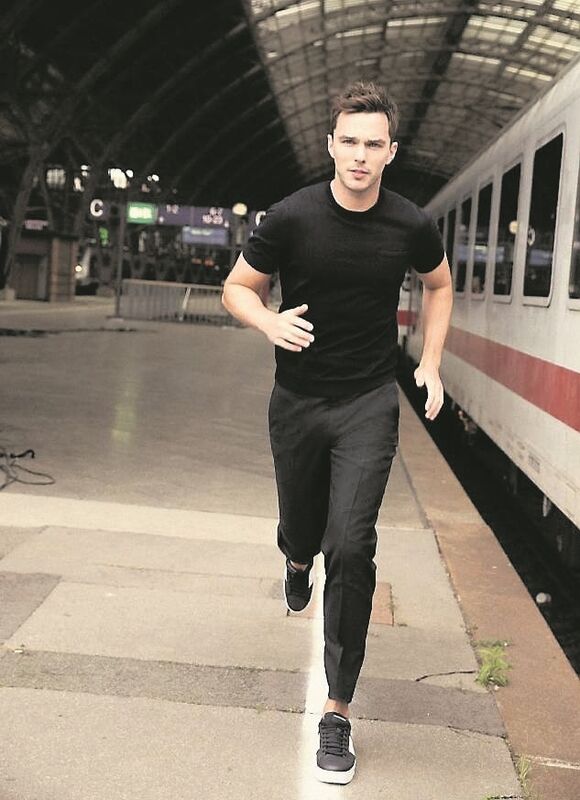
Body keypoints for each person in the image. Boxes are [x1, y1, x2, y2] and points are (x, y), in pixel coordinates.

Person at [222, 81, 453, 784]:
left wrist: (431, 364)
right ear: (330, 145)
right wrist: (268, 321)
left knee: (351, 545)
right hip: (296, 401)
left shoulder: (409, 223)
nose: (359, 155)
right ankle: (296, 560)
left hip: (368, 402)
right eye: (348, 141)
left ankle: (338, 710)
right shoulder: (291, 218)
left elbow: (440, 284)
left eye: (372, 144)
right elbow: (236, 287)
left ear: (390, 152)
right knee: (304, 530)